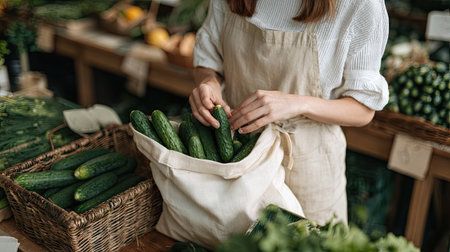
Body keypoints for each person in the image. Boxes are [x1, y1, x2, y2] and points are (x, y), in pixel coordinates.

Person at [189, 0, 389, 225]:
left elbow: (363, 109)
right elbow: (208, 61)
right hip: (236, 158)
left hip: (308, 167)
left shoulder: (360, 4)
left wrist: (297, 103)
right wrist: (208, 83)